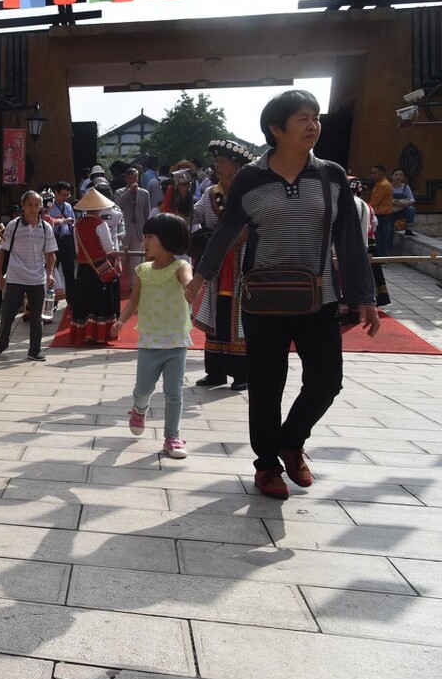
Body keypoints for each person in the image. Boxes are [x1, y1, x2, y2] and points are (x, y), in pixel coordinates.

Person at [186, 89, 379, 501]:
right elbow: (225, 232)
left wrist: (365, 296)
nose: (313, 125)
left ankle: (291, 442)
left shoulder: (331, 176)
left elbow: (349, 239)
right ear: (276, 129)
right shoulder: (249, 179)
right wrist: (199, 279)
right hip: (264, 301)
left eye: (316, 117)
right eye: (303, 118)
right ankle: (267, 465)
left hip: (320, 299)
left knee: (327, 382)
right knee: (266, 386)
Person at [112, 213, 193, 459]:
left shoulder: (181, 267)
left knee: (174, 392)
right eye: (144, 236)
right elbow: (133, 301)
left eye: (150, 237)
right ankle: (139, 408)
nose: (144, 241)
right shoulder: (143, 270)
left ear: (168, 239)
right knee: (143, 388)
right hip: (149, 342)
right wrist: (121, 321)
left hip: (176, 342)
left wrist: (191, 288)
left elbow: (188, 281)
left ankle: (172, 437)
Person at [190, 139, 254, 392]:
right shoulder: (210, 194)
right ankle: (215, 371)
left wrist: (245, 233)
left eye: (223, 161)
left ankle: (242, 373)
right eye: (216, 161)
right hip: (217, 266)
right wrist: (181, 195)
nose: (217, 165)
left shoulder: (250, 194)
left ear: (236, 166)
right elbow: (194, 215)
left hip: (243, 264)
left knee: (239, 318)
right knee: (218, 315)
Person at [0, 190, 57, 360]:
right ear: (23, 206)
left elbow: (50, 254)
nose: (33, 209)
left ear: (41, 206)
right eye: (30, 205)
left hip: (37, 277)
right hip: (15, 276)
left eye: (36, 205)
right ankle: (2, 343)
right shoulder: (13, 226)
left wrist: (50, 274)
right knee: (8, 314)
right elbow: (2, 251)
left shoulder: (46, 228)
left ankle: (35, 350)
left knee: (37, 317)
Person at [71, 187, 121, 345]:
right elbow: (108, 247)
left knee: (84, 300)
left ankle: (84, 334)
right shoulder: (100, 224)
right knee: (100, 301)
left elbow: (77, 249)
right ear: (100, 207)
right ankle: (98, 335)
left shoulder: (77, 225)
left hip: (83, 269)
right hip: (99, 267)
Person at [347, 175, 391, 318]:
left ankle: (351, 307)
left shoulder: (343, 203)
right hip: (366, 244)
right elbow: (374, 224)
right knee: (367, 274)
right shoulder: (366, 205)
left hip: (348, 245)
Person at [114, 166, 151, 292]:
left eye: (135, 178)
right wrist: (129, 191)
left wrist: (147, 230)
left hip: (139, 229)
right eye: (131, 178)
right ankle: (116, 283)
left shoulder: (144, 193)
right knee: (121, 257)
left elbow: (147, 213)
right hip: (124, 229)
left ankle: (134, 286)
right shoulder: (119, 192)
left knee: (136, 258)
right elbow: (117, 206)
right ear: (126, 179)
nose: (133, 180)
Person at [49, 181, 77, 306]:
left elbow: (73, 223)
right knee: (52, 270)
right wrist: (58, 220)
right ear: (56, 193)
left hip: (66, 239)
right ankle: (52, 301)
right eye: (63, 195)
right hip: (53, 239)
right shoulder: (49, 206)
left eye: (67, 195)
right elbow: (46, 222)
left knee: (69, 270)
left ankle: (72, 300)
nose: (65, 198)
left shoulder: (68, 206)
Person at [369, 164, 394, 257]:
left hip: (382, 214)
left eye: (375, 173)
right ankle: (381, 257)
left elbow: (375, 201)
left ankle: (380, 258)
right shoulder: (380, 183)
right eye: (372, 173)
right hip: (381, 214)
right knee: (380, 238)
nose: (372, 175)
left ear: (382, 173)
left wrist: (368, 208)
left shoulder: (383, 185)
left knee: (380, 238)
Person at [389, 168, 416, 236]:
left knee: (411, 209)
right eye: (396, 175)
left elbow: (412, 199)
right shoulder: (387, 187)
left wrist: (404, 205)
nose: (398, 177)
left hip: (402, 210)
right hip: (390, 210)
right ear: (392, 177)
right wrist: (397, 203)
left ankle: (409, 229)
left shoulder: (406, 187)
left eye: (400, 175)